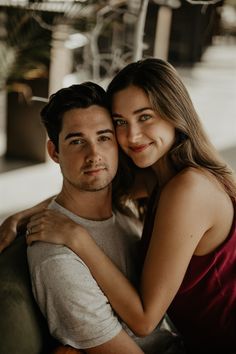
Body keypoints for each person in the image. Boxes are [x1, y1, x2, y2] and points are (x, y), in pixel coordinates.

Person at [1, 58, 236, 352]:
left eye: (145, 117)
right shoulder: (158, 177)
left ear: (175, 113)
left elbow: (144, 320)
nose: (132, 136)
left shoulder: (188, 189)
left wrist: (78, 239)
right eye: (121, 122)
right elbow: (94, 189)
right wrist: (21, 217)